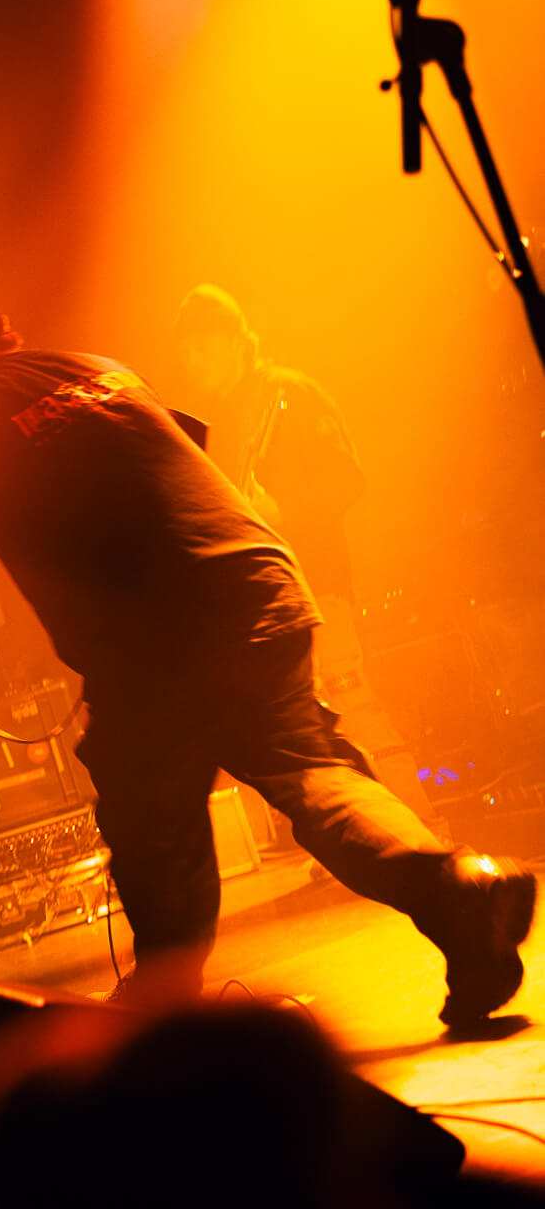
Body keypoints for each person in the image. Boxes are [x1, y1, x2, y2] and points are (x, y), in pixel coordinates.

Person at [0, 276, 536, 1027]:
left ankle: (160, 1021)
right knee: (314, 776)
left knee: (151, 822)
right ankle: (466, 897)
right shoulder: (95, 367)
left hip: (156, 632)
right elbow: (184, 451)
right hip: (254, 582)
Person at [174, 281, 434, 821]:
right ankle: (360, 836)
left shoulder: (288, 392)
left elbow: (347, 477)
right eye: (186, 351)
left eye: (200, 346)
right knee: (307, 729)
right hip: (269, 604)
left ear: (232, 340)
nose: (190, 362)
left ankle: (423, 827)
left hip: (317, 588)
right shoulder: (226, 421)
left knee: (350, 702)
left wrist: (283, 511)